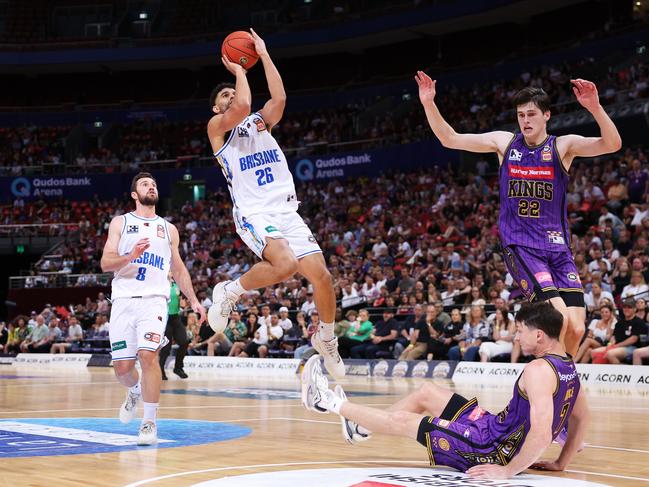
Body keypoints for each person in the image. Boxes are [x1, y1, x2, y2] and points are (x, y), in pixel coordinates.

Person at [415, 71, 622, 358]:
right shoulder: (505, 143)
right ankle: (550, 382)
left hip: (558, 249)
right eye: (521, 114)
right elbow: (450, 138)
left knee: (576, 327)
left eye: (531, 114)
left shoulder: (562, 146)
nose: (525, 120)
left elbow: (612, 144)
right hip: (521, 245)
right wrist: (428, 103)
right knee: (558, 319)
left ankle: (564, 379)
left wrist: (595, 108)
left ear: (547, 115)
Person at [302, 301, 588, 480]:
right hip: (493, 429)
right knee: (427, 391)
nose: (516, 336)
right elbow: (581, 419)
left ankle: (325, 401)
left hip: (490, 449)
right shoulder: (568, 368)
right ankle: (360, 428)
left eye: (520, 330)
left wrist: (507, 471)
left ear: (538, 334)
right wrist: (561, 463)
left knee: (405, 422)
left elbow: (540, 434)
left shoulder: (538, 370)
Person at [206, 28, 343, 378]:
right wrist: (238, 70)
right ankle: (231, 291)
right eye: (224, 94)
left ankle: (326, 338)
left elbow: (279, 100)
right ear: (216, 106)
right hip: (254, 212)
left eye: (230, 90)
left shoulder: (259, 123)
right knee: (284, 264)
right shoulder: (217, 128)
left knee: (323, 277)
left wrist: (263, 54)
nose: (230, 95)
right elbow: (243, 105)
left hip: (286, 210)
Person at [100, 172, 206, 445]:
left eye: (154, 184)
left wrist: (193, 299)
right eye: (145, 184)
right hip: (123, 301)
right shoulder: (120, 223)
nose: (151, 187)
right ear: (135, 194)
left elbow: (179, 268)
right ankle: (134, 391)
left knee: (149, 356)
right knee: (123, 369)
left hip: (154, 301)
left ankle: (149, 422)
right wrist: (130, 256)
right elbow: (105, 263)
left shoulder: (168, 229)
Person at [159, 278, 190, 380]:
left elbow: (182, 299)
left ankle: (178, 368)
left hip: (175, 318)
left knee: (184, 342)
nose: (171, 273)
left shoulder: (176, 285)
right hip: (165, 318)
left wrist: (183, 304)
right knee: (166, 348)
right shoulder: (161, 284)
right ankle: (160, 370)